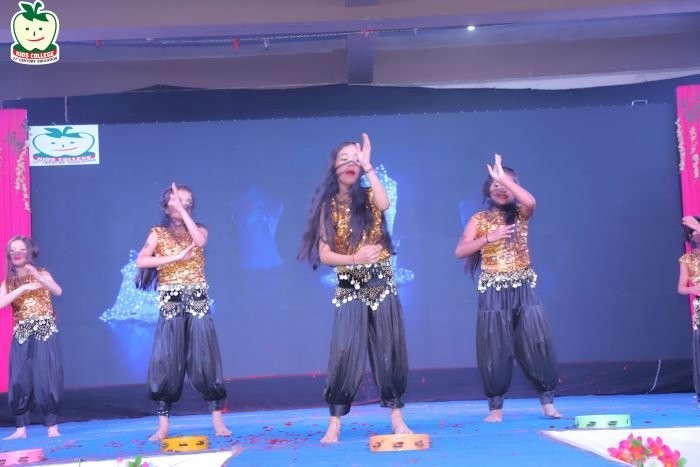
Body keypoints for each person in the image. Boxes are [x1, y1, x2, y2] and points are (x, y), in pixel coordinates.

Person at [298, 134, 411, 443]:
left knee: (389, 351)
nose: (350, 163)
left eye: (355, 159)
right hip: (350, 286)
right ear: (334, 167)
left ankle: (397, 418)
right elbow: (324, 254)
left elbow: (385, 203)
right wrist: (354, 259)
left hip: (381, 284)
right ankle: (334, 423)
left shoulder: (370, 196)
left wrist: (369, 166)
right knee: (345, 352)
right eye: (344, 159)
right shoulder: (329, 206)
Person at [455, 154, 560, 422]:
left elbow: (530, 201)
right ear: (486, 191)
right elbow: (460, 251)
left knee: (535, 342)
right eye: (495, 185)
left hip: (523, 286)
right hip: (493, 288)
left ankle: (547, 401)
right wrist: (488, 238)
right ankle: (496, 408)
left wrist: (503, 178)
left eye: (507, 185)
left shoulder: (520, 214)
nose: (501, 189)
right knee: (495, 347)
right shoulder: (479, 219)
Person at [135, 183, 230, 440]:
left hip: (197, 299)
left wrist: (184, 212)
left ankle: (218, 422)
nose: (182, 204)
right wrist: (175, 259)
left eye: (187, 201)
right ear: (166, 207)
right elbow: (142, 260)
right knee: (166, 360)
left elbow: (199, 241)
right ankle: (163, 426)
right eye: (177, 201)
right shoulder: (157, 233)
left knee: (205, 357)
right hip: (171, 301)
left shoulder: (199, 229)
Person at [0, 236, 63, 439]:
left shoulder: (42, 273)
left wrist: (37, 276)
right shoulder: (8, 283)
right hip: (22, 333)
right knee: (20, 378)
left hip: (45, 330)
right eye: (13, 250)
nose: (16, 253)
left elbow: (57, 291)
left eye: (21, 249)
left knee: (47, 376)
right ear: (9, 255)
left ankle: (52, 426)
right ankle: (20, 428)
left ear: (28, 252)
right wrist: (22, 288)